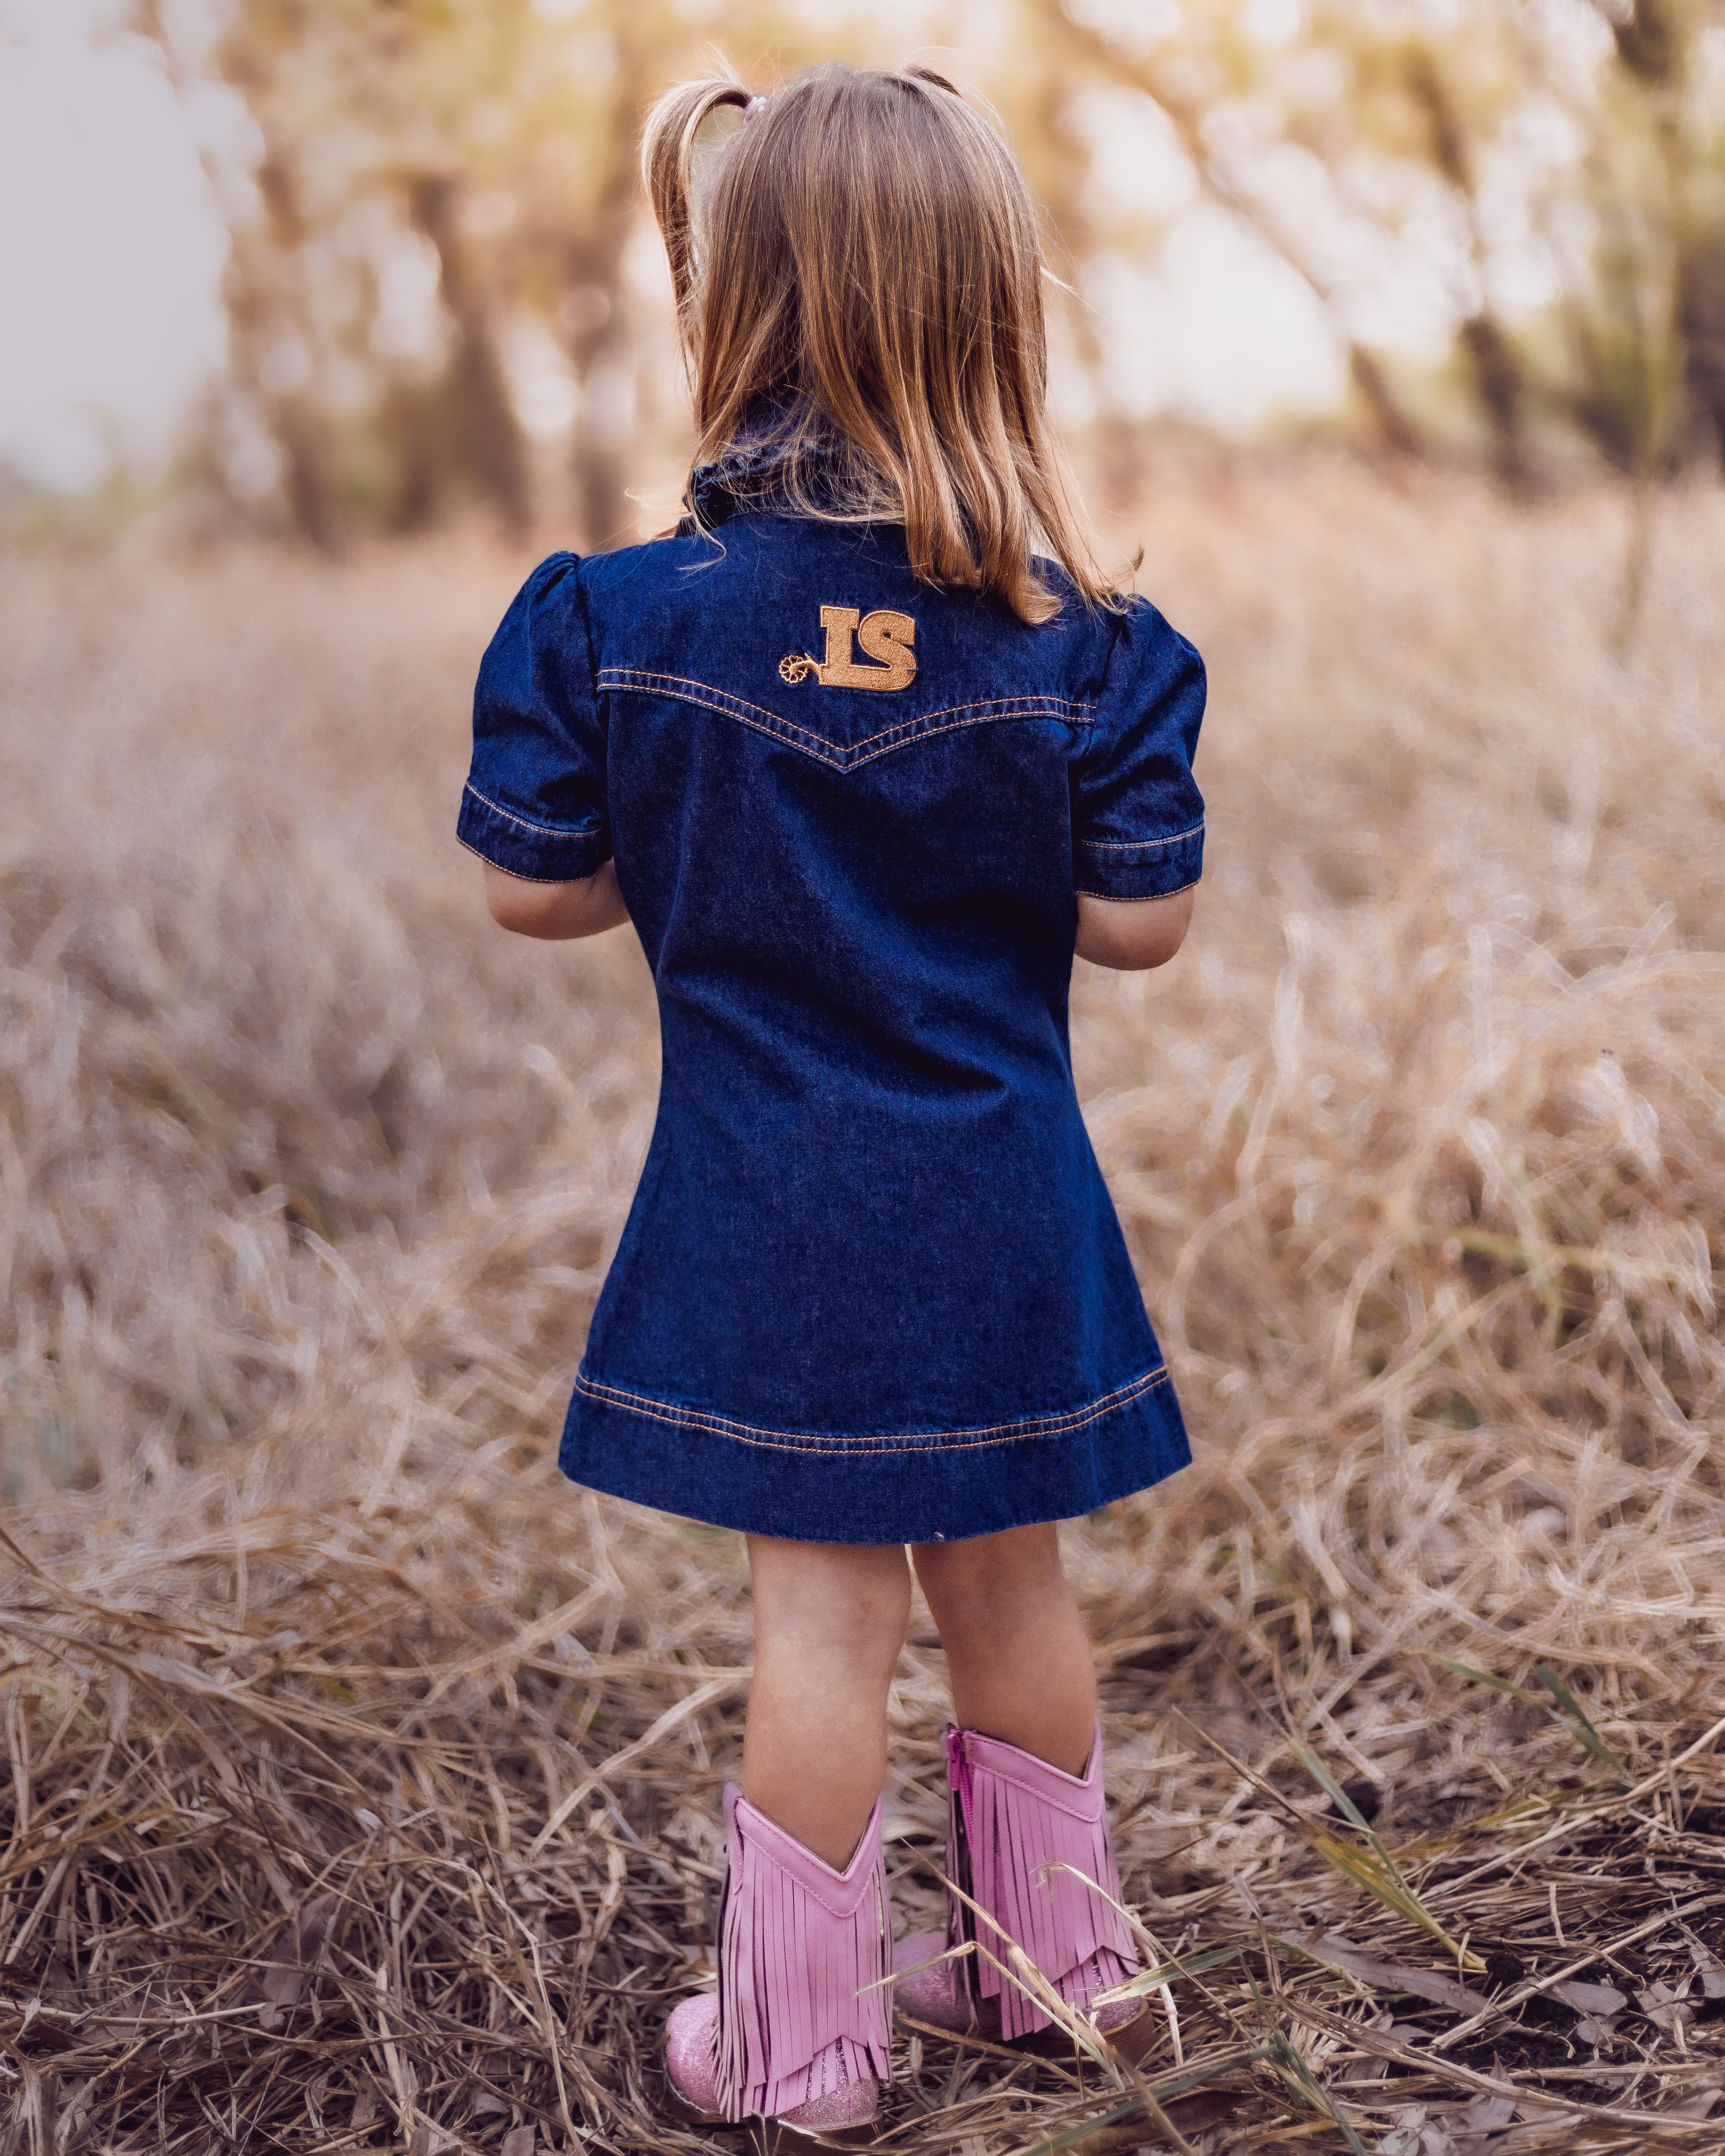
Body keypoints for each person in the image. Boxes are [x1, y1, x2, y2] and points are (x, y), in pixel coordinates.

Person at [459, 59, 1206, 2155]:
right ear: (990, 311)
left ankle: (800, 2046)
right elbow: (1138, 927)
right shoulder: (1087, 647)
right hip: (995, 1190)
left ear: (735, 308)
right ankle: (1056, 1968)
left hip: (771, 1191)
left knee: (820, 1612)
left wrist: (694, 848)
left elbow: (530, 885)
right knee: (1012, 1588)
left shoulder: (623, 623)